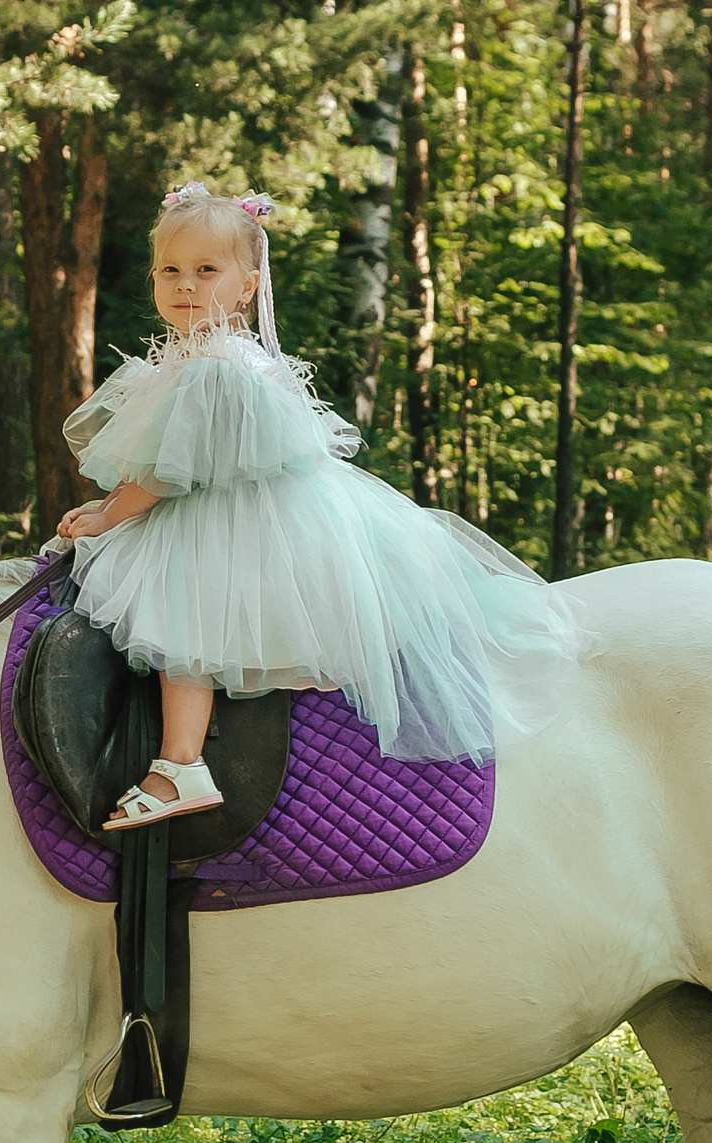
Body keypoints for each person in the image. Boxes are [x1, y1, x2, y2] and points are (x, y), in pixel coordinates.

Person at [56, 181, 590, 830]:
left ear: (247, 287)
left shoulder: (214, 371)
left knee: (178, 617)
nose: (185, 285)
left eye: (205, 270)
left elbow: (170, 477)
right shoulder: (198, 360)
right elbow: (156, 462)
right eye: (170, 270)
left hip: (240, 524)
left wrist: (112, 515)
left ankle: (180, 765)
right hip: (253, 510)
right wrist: (114, 500)